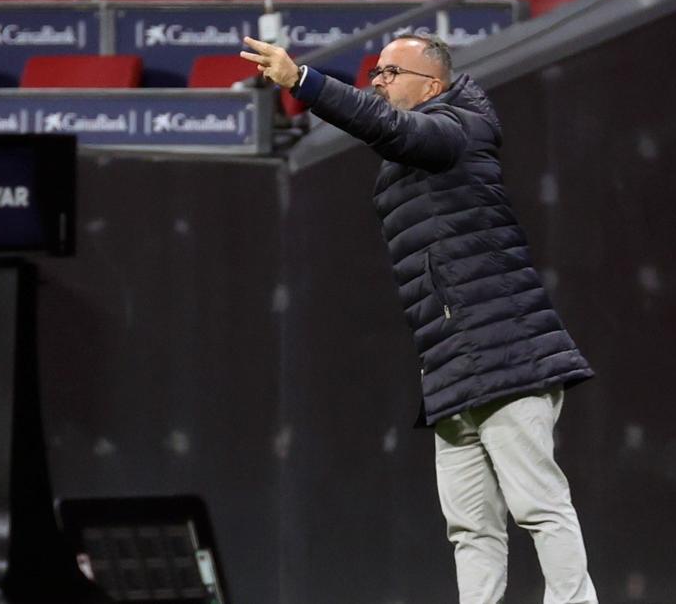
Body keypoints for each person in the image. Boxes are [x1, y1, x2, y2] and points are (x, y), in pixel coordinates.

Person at [240, 34, 599, 604]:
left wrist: (304, 82)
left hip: (506, 351)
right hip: (451, 362)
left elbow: (392, 128)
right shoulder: (418, 146)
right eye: (375, 72)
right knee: (469, 527)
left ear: (430, 84)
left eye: (389, 71)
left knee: (539, 506)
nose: (377, 81)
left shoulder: (455, 128)